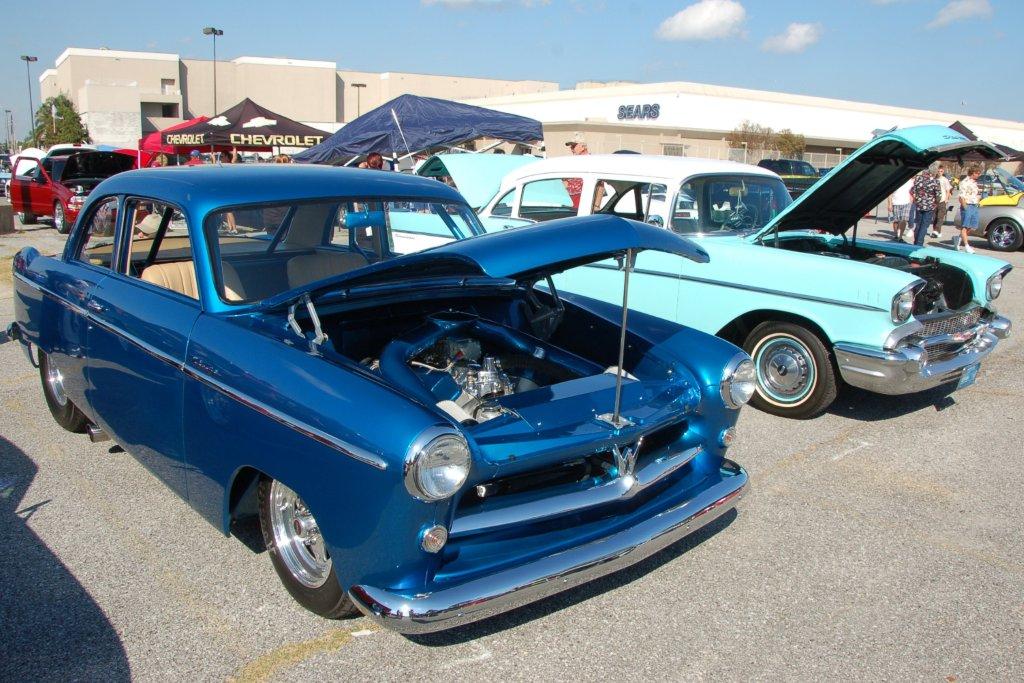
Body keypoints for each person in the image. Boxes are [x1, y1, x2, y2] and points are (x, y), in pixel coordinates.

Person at [910, 168, 942, 246]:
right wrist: (936, 203)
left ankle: (916, 242)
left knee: (918, 224)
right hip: (930, 206)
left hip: (919, 205)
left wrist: (916, 199)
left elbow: (912, 191)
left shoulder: (918, 180)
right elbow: (938, 195)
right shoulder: (935, 181)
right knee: (924, 226)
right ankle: (919, 243)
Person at [955, 165, 982, 253]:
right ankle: (967, 246)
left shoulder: (974, 182)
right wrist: (965, 207)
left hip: (974, 205)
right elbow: (961, 196)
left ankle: (959, 238)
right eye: (977, 173)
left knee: (973, 227)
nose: (978, 175)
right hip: (967, 205)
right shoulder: (964, 182)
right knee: (965, 226)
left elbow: (975, 194)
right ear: (973, 173)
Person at [563, 133, 589, 210]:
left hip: (582, 205)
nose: (571, 149)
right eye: (571, 146)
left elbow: (599, 186)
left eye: (574, 146)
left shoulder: (590, 162)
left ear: (583, 146)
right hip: (571, 203)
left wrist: (566, 184)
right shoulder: (574, 162)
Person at [887, 177, 914, 241]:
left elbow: (912, 191)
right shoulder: (895, 180)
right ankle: (896, 235)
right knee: (896, 220)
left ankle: (900, 237)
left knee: (904, 220)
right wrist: (889, 204)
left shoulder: (910, 181)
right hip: (896, 202)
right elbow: (889, 193)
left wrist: (911, 199)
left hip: (906, 203)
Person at [931, 163, 952, 238]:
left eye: (941, 171)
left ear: (943, 171)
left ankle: (936, 231)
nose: (940, 172)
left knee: (940, 217)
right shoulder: (934, 179)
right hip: (934, 201)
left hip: (942, 200)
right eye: (938, 171)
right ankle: (937, 231)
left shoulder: (944, 180)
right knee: (935, 217)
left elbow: (948, 190)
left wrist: (946, 199)